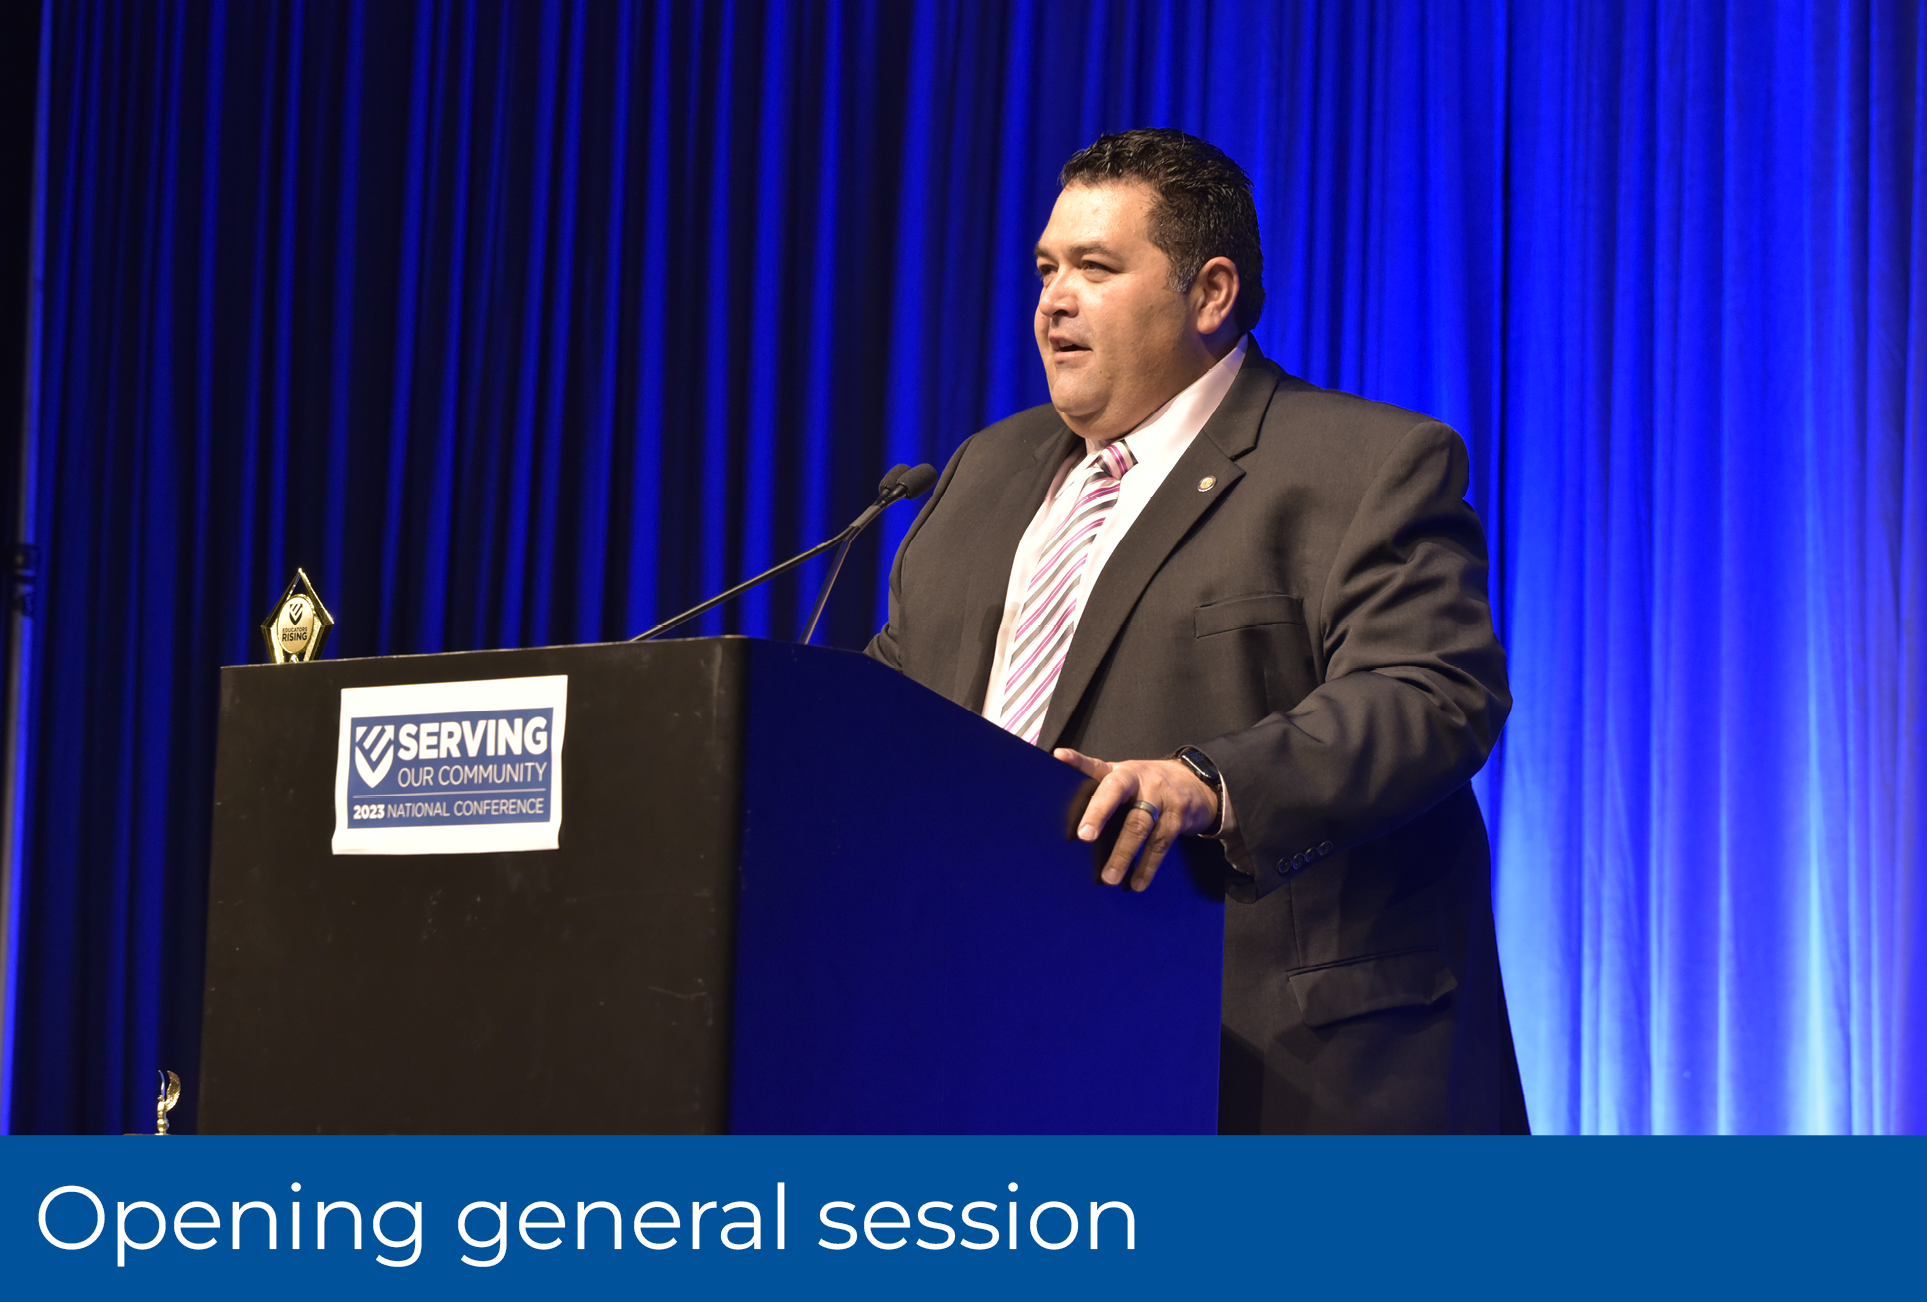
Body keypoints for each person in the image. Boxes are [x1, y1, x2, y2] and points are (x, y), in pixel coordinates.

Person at [865, 128, 1527, 1134]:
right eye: (1045, 269)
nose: (1053, 301)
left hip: (1274, 1066)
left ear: (1211, 293)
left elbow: (1429, 695)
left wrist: (1212, 784)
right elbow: (886, 708)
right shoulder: (978, 475)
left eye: (1095, 268)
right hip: (1002, 1038)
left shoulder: (1363, 466)